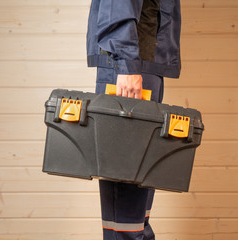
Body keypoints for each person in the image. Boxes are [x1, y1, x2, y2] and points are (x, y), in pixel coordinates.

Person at [86, 0, 181, 239]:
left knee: (141, 176)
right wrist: (126, 65)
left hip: (146, 63)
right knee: (126, 180)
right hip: (131, 66)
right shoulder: (128, 65)